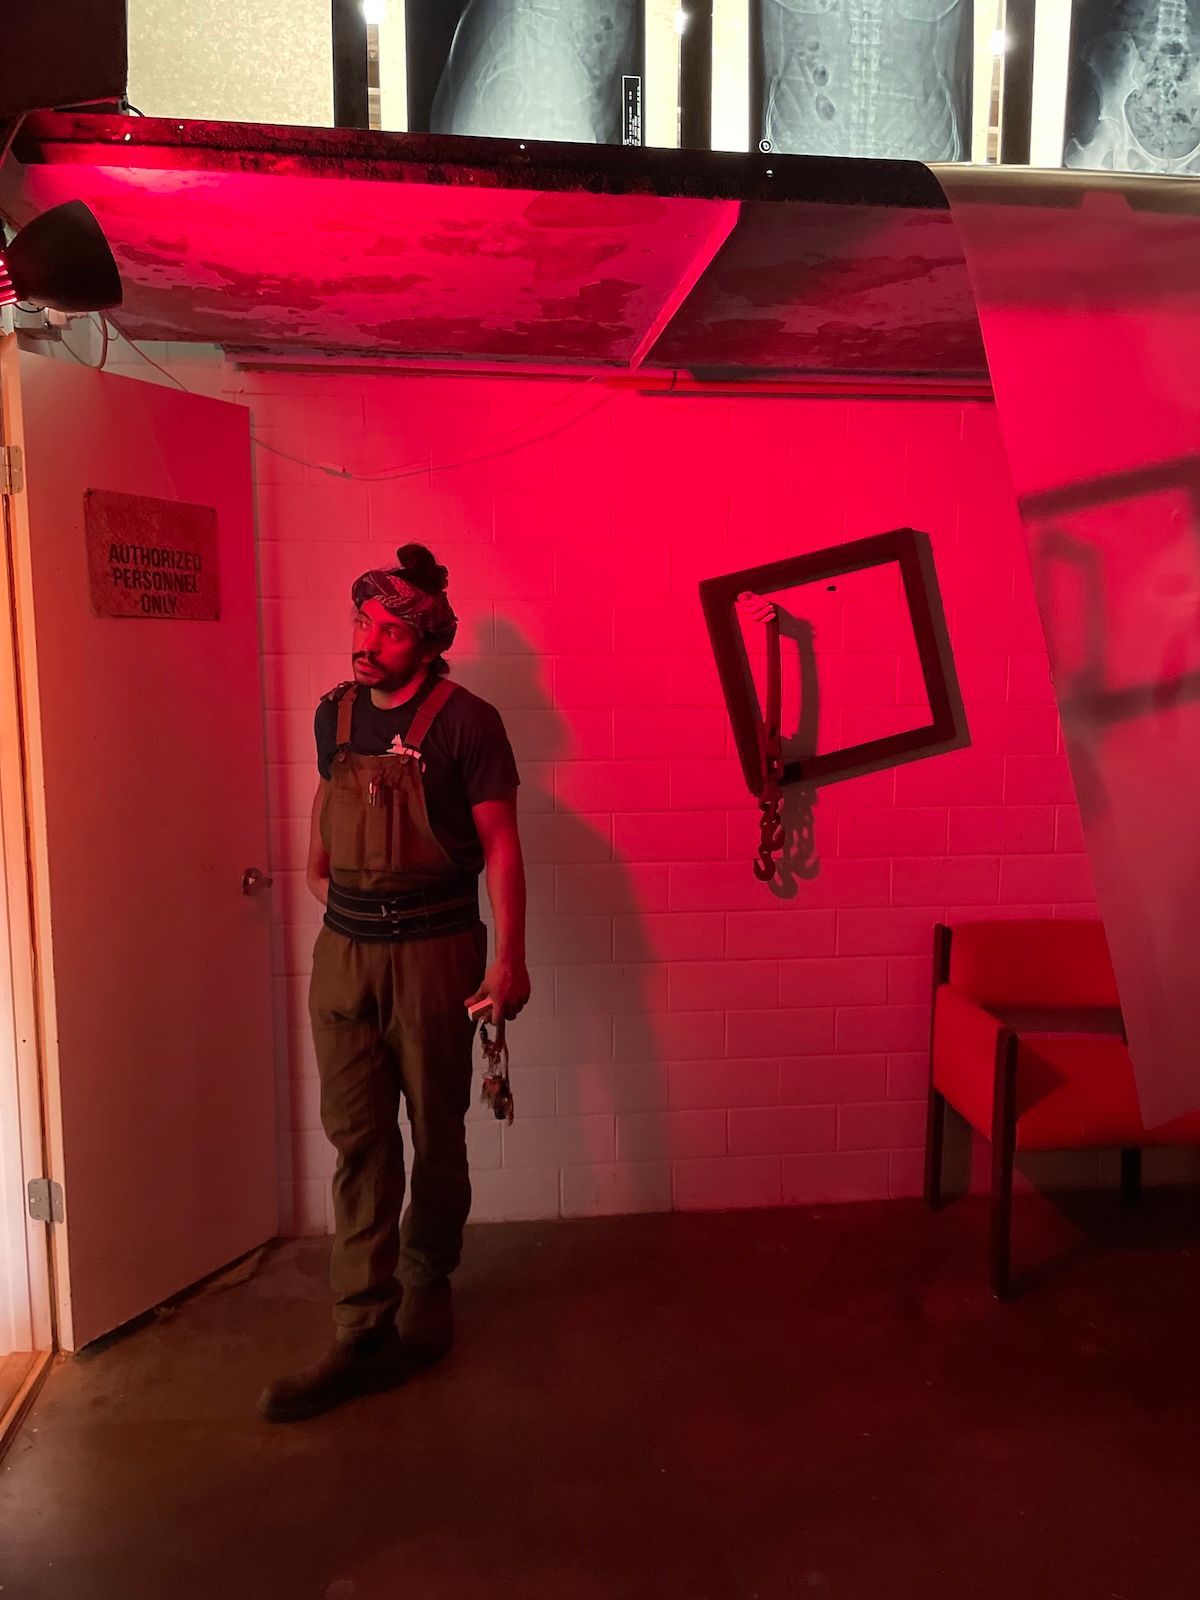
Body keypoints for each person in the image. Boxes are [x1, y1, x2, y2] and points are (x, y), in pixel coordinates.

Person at [259, 543, 530, 1423]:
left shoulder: (467, 722)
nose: (365, 640)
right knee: (359, 1141)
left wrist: (509, 959)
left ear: (426, 641)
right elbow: (326, 813)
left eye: (386, 628)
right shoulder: (334, 717)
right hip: (344, 959)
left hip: (435, 956)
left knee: (436, 1134)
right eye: (360, 621)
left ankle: (429, 1282)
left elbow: (500, 848)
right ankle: (361, 1332)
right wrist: (317, 873)